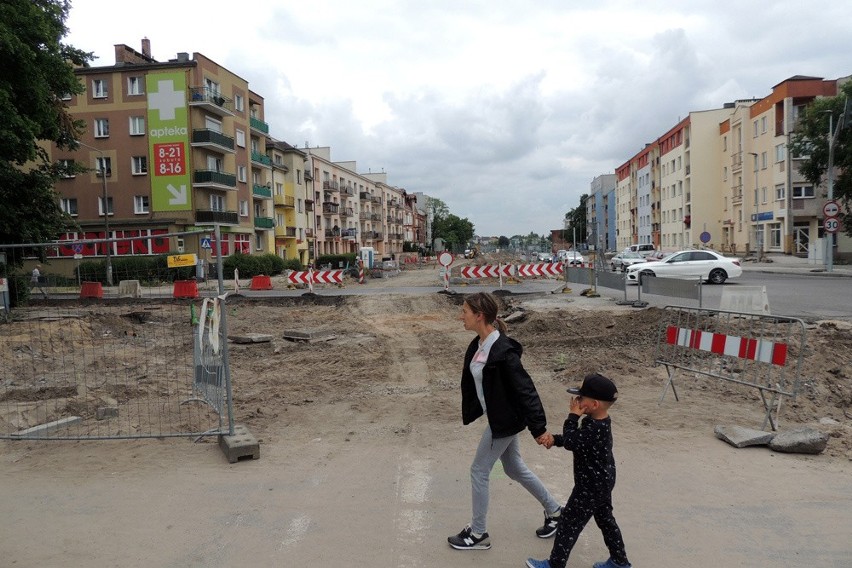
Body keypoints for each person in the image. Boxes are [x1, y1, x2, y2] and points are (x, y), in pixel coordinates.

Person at [447, 292, 562, 551]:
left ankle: (478, 534)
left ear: (479, 316)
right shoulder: (479, 344)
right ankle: (556, 513)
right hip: (501, 417)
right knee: (514, 468)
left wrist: (539, 428)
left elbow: (526, 390)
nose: (460, 316)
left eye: (464, 311)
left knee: (479, 470)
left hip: (506, 421)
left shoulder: (503, 351)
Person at [525, 373, 632, 568]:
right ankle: (619, 561)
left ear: (594, 405)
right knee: (605, 519)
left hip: (590, 485)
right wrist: (554, 440)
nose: (576, 401)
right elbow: (577, 441)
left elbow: (573, 440)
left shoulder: (595, 427)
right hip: (602, 481)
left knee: (568, 524)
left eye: (581, 398)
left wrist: (572, 416)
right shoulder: (598, 423)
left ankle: (554, 564)